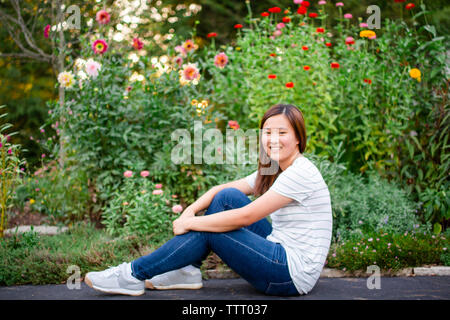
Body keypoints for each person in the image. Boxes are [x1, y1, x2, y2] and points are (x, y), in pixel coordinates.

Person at [85, 104, 333, 296]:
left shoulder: (300, 173)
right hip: (281, 253)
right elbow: (221, 189)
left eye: (282, 133)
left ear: (298, 137)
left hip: (289, 275)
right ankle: (187, 270)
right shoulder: (276, 168)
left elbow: (247, 217)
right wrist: (189, 212)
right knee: (226, 198)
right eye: (268, 132)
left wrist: (192, 224)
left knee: (214, 226)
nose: (273, 139)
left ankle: (131, 274)